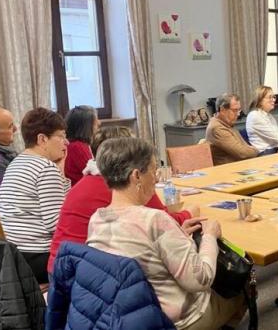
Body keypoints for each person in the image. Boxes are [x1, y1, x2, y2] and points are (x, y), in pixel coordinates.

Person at [87, 138, 245, 329]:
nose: (156, 178)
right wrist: (210, 236)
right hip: (175, 320)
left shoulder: (97, 219)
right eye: (154, 171)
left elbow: (144, 253)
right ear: (136, 175)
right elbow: (200, 279)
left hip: (127, 315)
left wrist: (178, 234)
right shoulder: (154, 220)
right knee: (243, 290)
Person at [47, 127, 200, 274]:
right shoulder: (126, 183)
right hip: (83, 276)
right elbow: (166, 221)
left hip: (61, 268)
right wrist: (189, 213)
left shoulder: (88, 179)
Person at [0, 107, 71, 283]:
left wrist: (61, 173)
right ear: (42, 139)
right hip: (38, 258)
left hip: (13, 256)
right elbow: (58, 224)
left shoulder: (16, 162)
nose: (66, 142)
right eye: (61, 136)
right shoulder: (45, 169)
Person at [205, 93, 258, 165]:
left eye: (239, 110)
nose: (238, 114)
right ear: (222, 110)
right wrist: (256, 150)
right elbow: (242, 153)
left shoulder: (226, 124)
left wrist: (251, 149)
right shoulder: (217, 128)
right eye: (235, 110)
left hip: (240, 166)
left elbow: (244, 147)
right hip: (228, 171)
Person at [246, 85, 278, 153]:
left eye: (274, 97)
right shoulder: (254, 115)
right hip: (263, 153)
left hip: (274, 150)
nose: (274, 100)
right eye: (270, 97)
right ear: (260, 101)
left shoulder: (270, 116)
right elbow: (277, 137)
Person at [64, 105, 100, 186]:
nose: (99, 123)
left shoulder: (74, 144)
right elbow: (94, 172)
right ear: (86, 126)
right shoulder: (78, 147)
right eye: (95, 121)